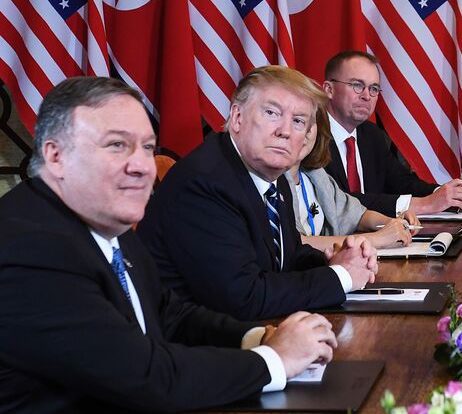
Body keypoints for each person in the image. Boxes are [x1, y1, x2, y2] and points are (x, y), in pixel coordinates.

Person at [0, 77, 338, 412]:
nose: (140, 167)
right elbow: (146, 378)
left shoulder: (103, 224)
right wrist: (275, 361)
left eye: (147, 148)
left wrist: (255, 338)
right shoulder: (30, 247)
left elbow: (166, 311)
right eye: (117, 145)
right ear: (56, 156)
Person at [139, 66, 378, 321]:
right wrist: (341, 276)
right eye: (272, 113)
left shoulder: (272, 175)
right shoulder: (205, 183)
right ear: (237, 117)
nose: (284, 131)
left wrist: (333, 261)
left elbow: (287, 257)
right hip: (195, 348)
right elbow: (244, 298)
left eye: (298, 121)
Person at [322, 50, 462, 216]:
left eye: (374, 88)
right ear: (329, 89)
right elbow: (339, 202)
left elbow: (401, 182)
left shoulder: (371, 135)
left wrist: (446, 194)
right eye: (357, 85)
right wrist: (424, 205)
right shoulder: (311, 138)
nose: (367, 96)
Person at [286, 106, 416, 250]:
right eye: (297, 121)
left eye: (310, 123)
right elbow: (296, 244)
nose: (305, 132)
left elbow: (356, 215)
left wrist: (393, 223)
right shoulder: (271, 182)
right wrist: (375, 239)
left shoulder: (315, 175)